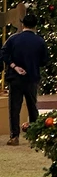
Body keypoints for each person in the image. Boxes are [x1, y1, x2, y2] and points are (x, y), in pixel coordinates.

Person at [1, 10, 49, 145]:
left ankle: (14, 136)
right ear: (35, 26)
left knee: (14, 107)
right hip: (32, 77)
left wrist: (14, 66)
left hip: (15, 78)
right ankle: (35, 135)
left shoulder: (13, 39)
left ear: (23, 25)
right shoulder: (40, 41)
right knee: (32, 106)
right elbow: (44, 60)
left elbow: (3, 54)